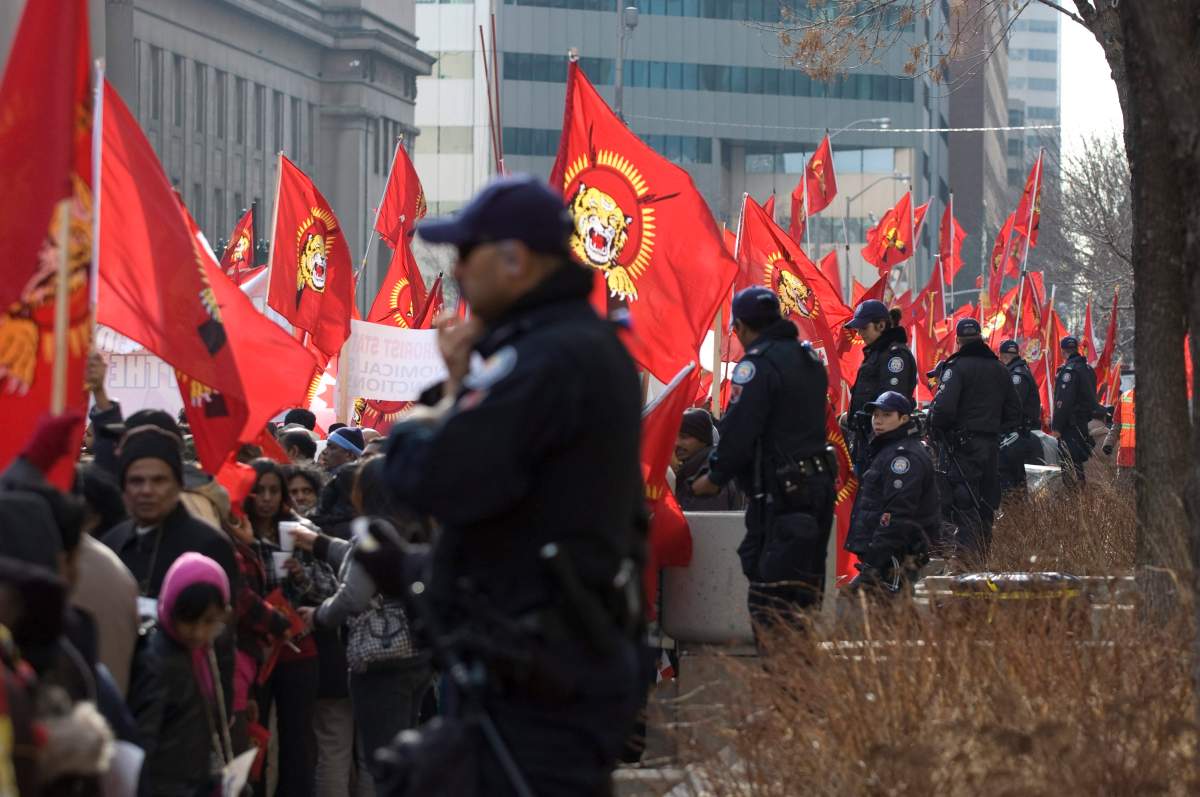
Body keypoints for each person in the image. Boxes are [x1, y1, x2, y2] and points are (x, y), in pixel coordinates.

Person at [365, 175, 646, 796]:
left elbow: (430, 476)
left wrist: (429, 415)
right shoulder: (563, 346)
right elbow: (518, 512)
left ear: (515, 259)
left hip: (537, 683)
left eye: (467, 253)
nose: (457, 269)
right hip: (535, 667)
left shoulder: (549, 357)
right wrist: (413, 567)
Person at [691, 286, 833, 627]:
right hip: (816, 487)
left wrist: (714, 477)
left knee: (771, 604)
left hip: (782, 494)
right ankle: (800, 678)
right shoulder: (808, 358)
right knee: (803, 599)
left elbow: (739, 432)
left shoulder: (756, 366)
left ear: (739, 327)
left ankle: (784, 681)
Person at [294, 456, 433, 794]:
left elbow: (353, 594)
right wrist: (317, 542)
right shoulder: (418, 525)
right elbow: (361, 560)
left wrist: (319, 615)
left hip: (381, 660)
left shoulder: (375, 528)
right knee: (404, 746)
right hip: (418, 654)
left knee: (382, 759)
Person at [242, 458, 336, 797]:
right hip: (254, 650)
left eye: (273, 491)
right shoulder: (238, 530)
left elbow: (329, 586)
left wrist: (302, 574)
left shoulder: (300, 530)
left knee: (298, 739)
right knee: (254, 736)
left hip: (298, 648)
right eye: (259, 491)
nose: (266, 498)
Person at [128, 553, 233, 797]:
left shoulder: (198, 655)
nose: (197, 632)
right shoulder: (160, 661)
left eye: (209, 621)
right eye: (188, 620)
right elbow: (144, 740)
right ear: (169, 607)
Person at [927, 318, 1021, 562]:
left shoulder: (956, 368)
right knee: (986, 505)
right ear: (981, 338)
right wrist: (992, 430)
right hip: (990, 447)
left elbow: (943, 411)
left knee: (963, 505)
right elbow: (1014, 411)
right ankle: (981, 560)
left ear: (958, 341)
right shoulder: (1000, 368)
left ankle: (965, 565)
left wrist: (941, 433)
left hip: (961, 449)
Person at [844, 392, 938, 597]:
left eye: (887, 415)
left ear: (904, 418)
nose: (878, 420)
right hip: (886, 556)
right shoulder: (887, 450)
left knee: (889, 616)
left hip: (895, 556)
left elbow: (897, 515)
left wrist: (874, 563)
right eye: (875, 415)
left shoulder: (903, 457)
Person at [843, 301, 917, 475]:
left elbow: (891, 403)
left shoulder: (894, 355)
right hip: (866, 442)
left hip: (882, 444)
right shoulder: (876, 353)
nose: (860, 333)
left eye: (864, 328)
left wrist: (876, 440)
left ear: (881, 325)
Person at [997, 339, 1045, 494]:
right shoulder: (1019, 371)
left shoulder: (1016, 375)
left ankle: (1016, 514)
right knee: (1016, 479)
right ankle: (1019, 514)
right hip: (1018, 432)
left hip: (1016, 433)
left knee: (1011, 479)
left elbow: (1013, 405)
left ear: (1004, 356)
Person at [1052, 336, 1101, 489]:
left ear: (1063, 351)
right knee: (1081, 463)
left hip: (1071, 425)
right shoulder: (1088, 369)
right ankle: (1083, 497)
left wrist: (1057, 427)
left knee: (1070, 466)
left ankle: (1074, 501)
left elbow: (1063, 402)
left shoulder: (1069, 371)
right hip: (1085, 424)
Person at [673, 408, 743, 511]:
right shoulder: (693, 469)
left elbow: (704, 523)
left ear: (704, 440)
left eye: (684, 437)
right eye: (674, 437)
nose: (676, 443)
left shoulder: (708, 474)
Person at [1103, 385, 1135, 482]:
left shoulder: (1154, 401)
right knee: (1123, 492)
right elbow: (1116, 425)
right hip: (1125, 458)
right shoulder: (1125, 397)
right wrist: (1108, 443)